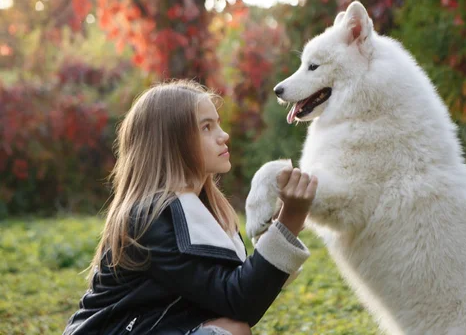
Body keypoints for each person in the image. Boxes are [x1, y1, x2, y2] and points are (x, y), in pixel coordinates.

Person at [63, 79, 318, 335]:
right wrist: (289, 222)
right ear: (171, 142)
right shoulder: (151, 217)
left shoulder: (204, 209)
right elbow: (241, 302)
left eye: (217, 123)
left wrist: (278, 228)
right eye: (207, 127)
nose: (224, 135)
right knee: (231, 331)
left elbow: (235, 290)